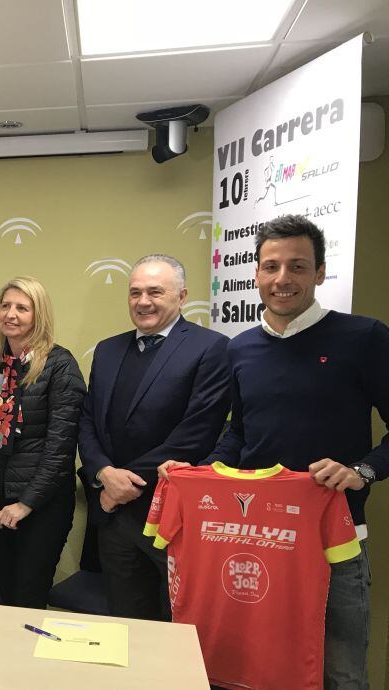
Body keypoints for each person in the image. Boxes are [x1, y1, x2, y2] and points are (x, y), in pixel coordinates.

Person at [161, 215, 388, 689]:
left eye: (298, 267)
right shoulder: (240, 348)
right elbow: (240, 435)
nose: (282, 279)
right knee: (256, 669)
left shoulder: (364, 338)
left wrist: (362, 470)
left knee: (341, 675)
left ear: (320, 272)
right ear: (257, 274)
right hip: (253, 540)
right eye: (271, 267)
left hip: (335, 543)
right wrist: (198, 474)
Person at [79, 254, 230, 621]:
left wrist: (123, 481)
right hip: (115, 519)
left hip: (171, 514)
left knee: (175, 626)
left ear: (182, 296)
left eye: (155, 292)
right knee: (126, 623)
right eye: (135, 292)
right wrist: (103, 473)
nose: (143, 301)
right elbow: (87, 420)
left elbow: (197, 431)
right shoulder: (108, 349)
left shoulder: (210, 347)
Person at [0, 277, 85, 608]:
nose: (11, 314)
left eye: (22, 307)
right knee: (6, 597)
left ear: (39, 315)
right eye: (5, 306)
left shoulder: (59, 365)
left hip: (40, 508)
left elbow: (60, 449)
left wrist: (26, 504)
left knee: (27, 599)